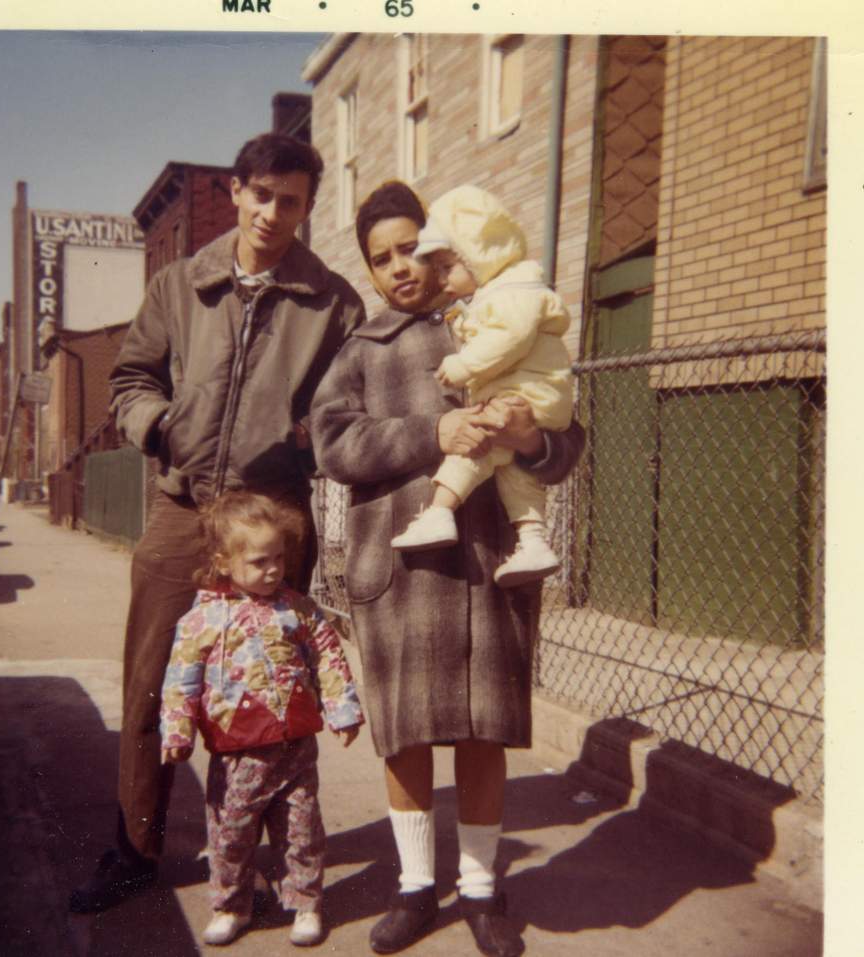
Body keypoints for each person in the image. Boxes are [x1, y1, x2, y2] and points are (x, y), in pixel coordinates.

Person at [69, 132, 365, 913]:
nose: (273, 213)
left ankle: (263, 861)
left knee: (268, 691)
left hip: (273, 517)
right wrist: (161, 426)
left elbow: (340, 408)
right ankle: (134, 850)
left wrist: (312, 437)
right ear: (236, 191)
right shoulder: (179, 285)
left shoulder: (333, 302)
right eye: (260, 194)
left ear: (307, 208)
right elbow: (131, 377)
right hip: (181, 509)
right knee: (151, 687)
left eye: (291, 201)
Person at [310, 182, 584, 957]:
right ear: (368, 270)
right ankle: (412, 887)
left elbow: (568, 438)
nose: (400, 268)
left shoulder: (501, 317)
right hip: (397, 571)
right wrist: (435, 431)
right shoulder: (362, 352)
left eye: (410, 248)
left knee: (483, 732)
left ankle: (482, 889)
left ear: (438, 247)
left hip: (487, 564)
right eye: (381, 258)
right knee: (405, 739)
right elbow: (334, 445)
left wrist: (532, 441)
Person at [160, 491, 363, 947]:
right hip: (238, 754)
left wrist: (342, 708)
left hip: (294, 749)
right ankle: (231, 904)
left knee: (302, 831)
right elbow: (181, 678)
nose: (272, 570)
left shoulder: (298, 610)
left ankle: (305, 902)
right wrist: (177, 729)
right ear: (225, 562)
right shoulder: (202, 619)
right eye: (258, 561)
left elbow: (329, 657)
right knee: (231, 835)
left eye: (278, 558)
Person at [389, 184, 574, 588]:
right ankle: (533, 540)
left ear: (480, 255)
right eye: (381, 259)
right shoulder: (504, 294)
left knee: (477, 442)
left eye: (446, 267)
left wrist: (463, 364)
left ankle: (439, 510)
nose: (440, 278)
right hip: (538, 398)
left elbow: (508, 337)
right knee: (515, 475)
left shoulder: (512, 293)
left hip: (527, 399)